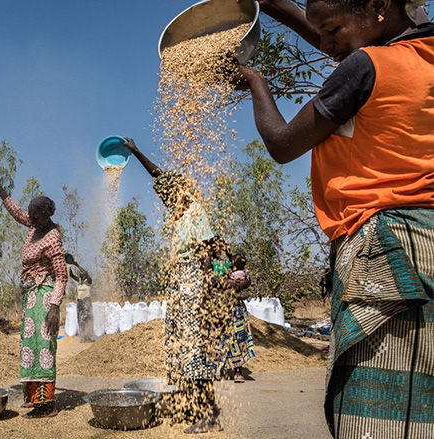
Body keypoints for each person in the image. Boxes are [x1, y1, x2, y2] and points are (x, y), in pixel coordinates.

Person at [236, 0, 433, 436]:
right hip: (427, 245)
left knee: (377, 415)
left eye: (332, 31)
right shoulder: (419, 50)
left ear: (380, 7)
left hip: (386, 253)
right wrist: (268, 5)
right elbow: (352, 39)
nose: (326, 46)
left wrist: (253, 80)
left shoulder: (364, 66)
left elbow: (283, 144)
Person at [125, 137, 235, 434]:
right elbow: (160, 178)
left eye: (171, 194)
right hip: (179, 287)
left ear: (182, 193)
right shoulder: (179, 214)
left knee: (192, 352)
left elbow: (217, 248)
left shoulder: (195, 211)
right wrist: (136, 152)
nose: (166, 198)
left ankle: (209, 414)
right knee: (181, 350)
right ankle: (195, 407)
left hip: (192, 287)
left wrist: (217, 283)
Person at [0, 179, 68, 418]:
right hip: (30, 297)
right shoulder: (36, 226)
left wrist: (54, 306)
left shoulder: (52, 238)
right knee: (29, 348)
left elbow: (62, 276)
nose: (30, 220)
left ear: (46, 216)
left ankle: (47, 404)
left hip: (45, 298)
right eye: (31, 217)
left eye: (34, 217)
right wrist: (1, 191)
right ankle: (33, 397)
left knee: (44, 346)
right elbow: (17, 214)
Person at [225, 254, 254, 383]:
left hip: (237, 308)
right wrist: (230, 282)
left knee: (240, 338)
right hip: (223, 309)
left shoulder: (245, 275)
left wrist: (235, 283)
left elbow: (244, 284)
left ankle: (238, 371)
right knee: (222, 339)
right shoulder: (224, 272)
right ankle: (220, 369)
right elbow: (218, 283)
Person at [64, 253, 94, 342]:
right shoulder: (80, 281)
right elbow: (72, 275)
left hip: (86, 301)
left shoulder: (88, 281)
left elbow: (84, 273)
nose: (80, 275)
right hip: (80, 302)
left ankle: (88, 336)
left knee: (87, 318)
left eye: (81, 274)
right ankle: (83, 336)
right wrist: (68, 266)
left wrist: (77, 265)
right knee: (80, 318)